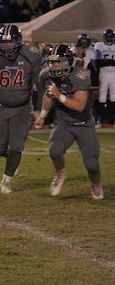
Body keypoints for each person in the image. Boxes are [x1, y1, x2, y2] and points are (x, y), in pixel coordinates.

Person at [0, 24, 43, 194]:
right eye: (4, 43)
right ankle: (12, 160)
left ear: (18, 42)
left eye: (10, 43)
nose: (7, 47)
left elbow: (40, 86)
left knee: (16, 146)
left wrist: (40, 110)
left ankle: (6, 180)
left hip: (23, 108)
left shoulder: (30, 56)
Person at [34, 44, 104, 200]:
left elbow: (79, 106)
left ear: (68, 61)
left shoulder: (80, 76)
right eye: (52, 62)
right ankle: (60, 172)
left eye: (58, 61)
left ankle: (96, 184)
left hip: (83, 124)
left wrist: (59, 95)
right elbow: (48, 95)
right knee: (55, 151)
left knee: (92, 165)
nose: (54, 65)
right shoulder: (46, 75)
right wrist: (43, 115)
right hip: (63, 123)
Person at [93, 29, 115, 127]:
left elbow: (103, 61)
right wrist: (110, 62)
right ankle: (99, 120)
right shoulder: (99, 45)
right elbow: (98, 61)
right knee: (102, 97)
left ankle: (113, 120)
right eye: (108, 37)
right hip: (104, 73)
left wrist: (107, 61)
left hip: (113, 73)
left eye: (111, 37)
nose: (109, 39)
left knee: (114, 96)